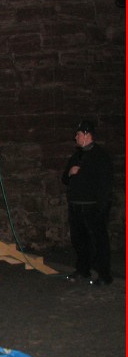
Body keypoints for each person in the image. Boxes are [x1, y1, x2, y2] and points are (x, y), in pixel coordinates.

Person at [61, 119, 114, 286]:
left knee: (98, 241)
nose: (75, 137)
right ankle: (83, 269)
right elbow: (65, 179)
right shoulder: (76, 156)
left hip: (92, 207)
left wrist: (101, 208)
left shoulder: (100, 157)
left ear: (86, 135)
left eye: (78, 134)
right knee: (79, 240)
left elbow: (105, 185)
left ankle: (104, 274)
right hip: (76, 206)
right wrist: (70, 173)